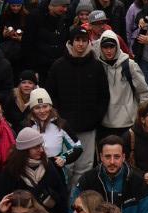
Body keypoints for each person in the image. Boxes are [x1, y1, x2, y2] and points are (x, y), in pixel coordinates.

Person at [46, 26, 110, 166]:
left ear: (88, 42)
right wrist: (58, 119)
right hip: (64, 128)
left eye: (84, 40)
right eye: (77, 40)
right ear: (71, 42)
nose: (81, 44)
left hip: (89, 127)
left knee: (85, 166)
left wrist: (96, 118)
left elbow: (104, 95)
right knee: (66, 166)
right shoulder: (58, 66)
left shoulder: (96, 66)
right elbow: (51, 95)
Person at [76, 131, 148, 213]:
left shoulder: (137, 182)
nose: (112, 161)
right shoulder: (87, 180)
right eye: (107, 156)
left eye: (116, 157)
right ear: (101, 157)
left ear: (123, 157)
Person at [93, 29, 148, 133]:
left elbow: (143, 92)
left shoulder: (130, 65)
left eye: (111, 46)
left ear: (117, 46)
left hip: (127, 122)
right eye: (105, 47)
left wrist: (140, 115)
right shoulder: (96, 66)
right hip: (104, 122)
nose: (108, 50)